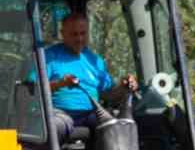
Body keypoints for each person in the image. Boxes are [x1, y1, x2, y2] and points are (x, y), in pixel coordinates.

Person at [41, 9, 137, 142]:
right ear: (63, 34)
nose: (79, 39)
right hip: (60, 113)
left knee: (114, 128)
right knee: (56, 127)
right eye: (74, 34)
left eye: (83, 33)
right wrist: (60, 84)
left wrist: (124, 86)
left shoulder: (95, 61)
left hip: (91, 113)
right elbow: (35, 90)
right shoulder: (49, 57)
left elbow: (108, 94)